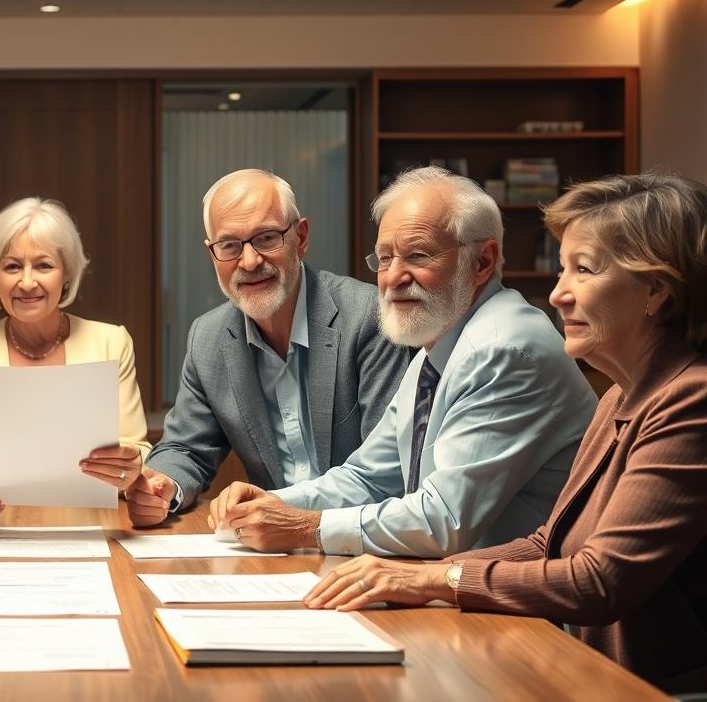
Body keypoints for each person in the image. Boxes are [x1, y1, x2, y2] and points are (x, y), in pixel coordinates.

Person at [303, 173, 707, 694]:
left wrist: (435, 579)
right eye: (562, 270)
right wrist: (414, 577)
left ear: (657, 289)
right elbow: (548, 543)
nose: (558, 294)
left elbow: (598, 579)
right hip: (590, 671)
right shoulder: (621, 396)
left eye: (583, 270)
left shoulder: (691, 401)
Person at [210, 166, 595, 557]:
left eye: (418, 255)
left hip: (525, 609)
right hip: (461, 589)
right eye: (384, 258)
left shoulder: (500, 349)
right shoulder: (441, 344)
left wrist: (305, 527)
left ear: (481, 262)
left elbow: (442, 520)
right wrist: (272, 503)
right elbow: (368, 478)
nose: (393, 277)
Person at [126, 169, 411, 526]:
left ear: (301, 237)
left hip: (358, 541)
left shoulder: (369, 317)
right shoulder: (208, 337)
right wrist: (162, 486)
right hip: (270, 551)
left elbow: (387, 472)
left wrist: (275, 504)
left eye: (266, 238)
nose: (249, 261)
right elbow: (185, 449)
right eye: (229, 245)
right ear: (212, 253)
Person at [0, 197, 150, 522]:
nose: (27, 282)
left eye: (44, 265)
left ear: (66, 275)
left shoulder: (111, 342)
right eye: (12, 266)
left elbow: (136, 449)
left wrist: (129, 469)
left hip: (90, 525)